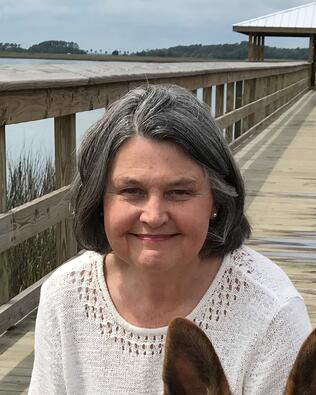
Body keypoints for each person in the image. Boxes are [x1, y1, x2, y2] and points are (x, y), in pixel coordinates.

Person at [28, 84, 312, 395]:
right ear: (99, 200)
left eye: (179, 192)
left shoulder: (272, 313)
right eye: (131, 191)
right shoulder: (64, 296)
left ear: (216, 199)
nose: (153, 215)